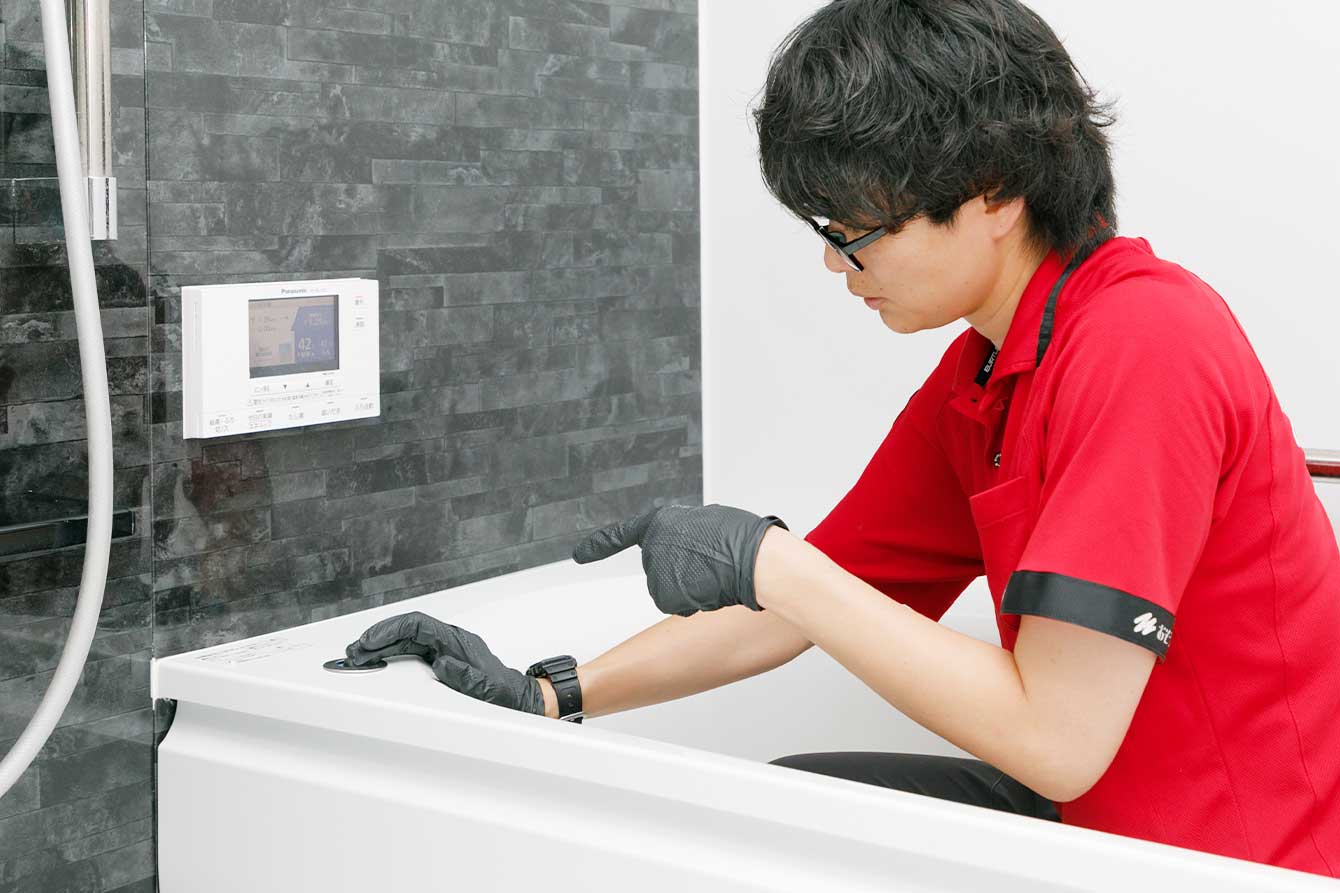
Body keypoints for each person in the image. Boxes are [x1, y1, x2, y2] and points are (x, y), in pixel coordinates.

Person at [345, 0, 1340, 878]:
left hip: (1239, 860)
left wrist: (769, 560)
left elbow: (1057, 738)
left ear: (994, 193)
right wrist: (552, 692)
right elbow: (800, 603)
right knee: (782, 817)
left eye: (858, 228)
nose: (835, 262)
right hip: (1102, 824)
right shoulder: (987, 373)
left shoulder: (1145, 340)